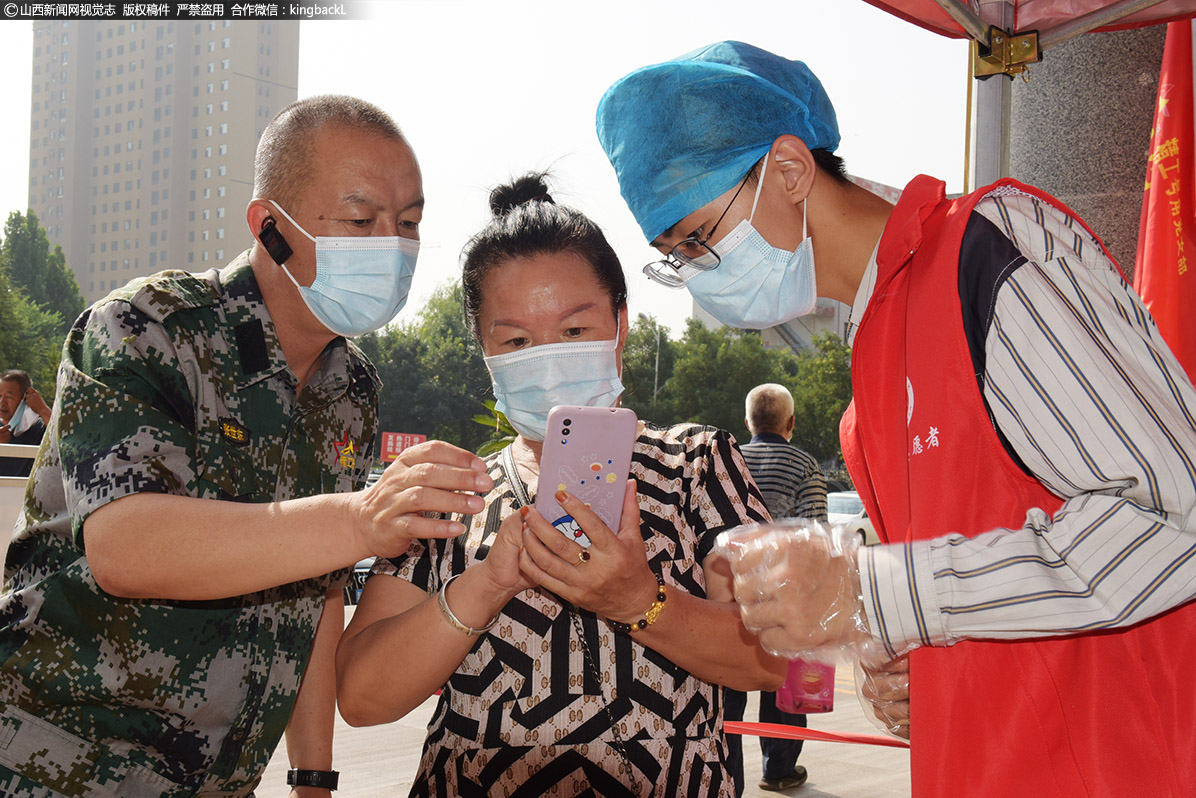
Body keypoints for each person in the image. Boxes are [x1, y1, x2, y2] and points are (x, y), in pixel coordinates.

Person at [595, 41, 1196, 797]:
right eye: (673, 256)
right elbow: (972, 590)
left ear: (788, 169)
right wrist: (896, 655)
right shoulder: (870, 371)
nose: (697, 277)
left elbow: (1174, 521)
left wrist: (871, 590)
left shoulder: (990, 250)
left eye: (698, 239)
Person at [0, 95, 493, 798]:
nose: (393, 244)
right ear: (270, 227)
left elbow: (319, 595)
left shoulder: (350, 389)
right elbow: (127, 547)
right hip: (53, 767)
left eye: (409, 222)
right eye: (361, 221)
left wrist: (314, 777)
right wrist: (358, 518)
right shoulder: (145, 330)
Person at [336, 173, 786, 797]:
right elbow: (361, 697)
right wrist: (484, 584)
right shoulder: (451, 492)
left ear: (620, 324)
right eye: (517, 340)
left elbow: (774, 657)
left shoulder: (698, 464)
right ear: (485, 353)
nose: (547, 356)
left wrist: (639, 600)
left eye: (574, 330)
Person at [724, 383, 825, 794]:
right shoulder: (805, 465)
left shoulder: (724, 460)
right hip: (783, 597)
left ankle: (726, 775)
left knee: (726, 687)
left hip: (727, 594)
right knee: (782, 687)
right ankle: (779, 769)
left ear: (748, 421)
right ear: (791, 423)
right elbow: (816, 537)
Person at [0, 370, 52, 477]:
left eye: (9, 397)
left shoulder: (39, 427)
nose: (2, 402)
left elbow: (66, 437)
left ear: (25, 399)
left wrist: (43, 409)